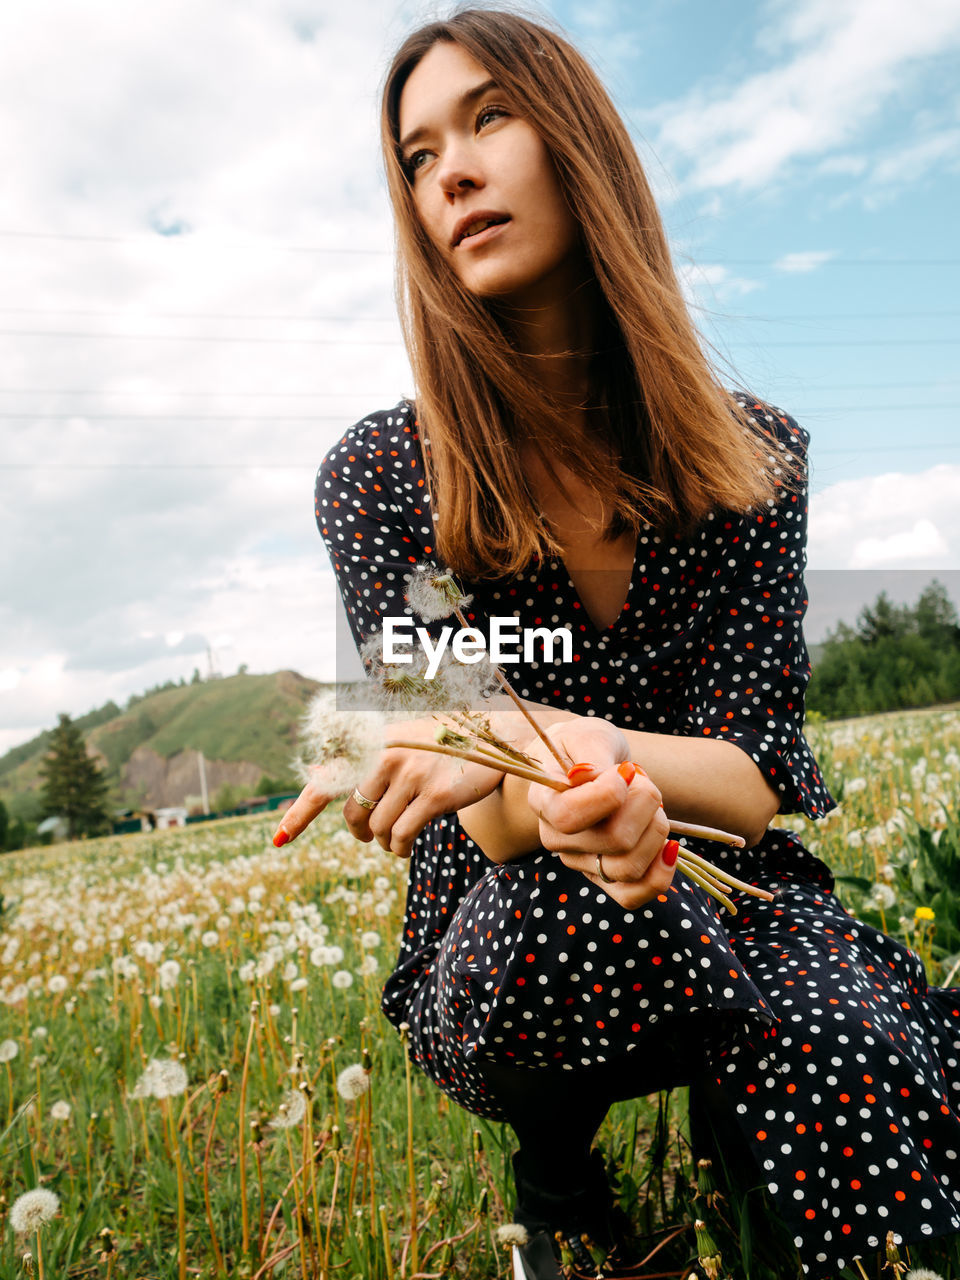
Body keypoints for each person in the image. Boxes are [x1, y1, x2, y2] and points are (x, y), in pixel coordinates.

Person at [273, 10, 960, 1278]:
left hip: (730, 888)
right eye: (417, 158)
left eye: (488, 119)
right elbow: (483, 804)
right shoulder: (381, 478)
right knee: (566, 907)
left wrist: (596, 747)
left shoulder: (755, 458)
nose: (454, 174)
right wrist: (584, 784)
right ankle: (555, 1163)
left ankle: (764, 1107)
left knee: (854, 1054)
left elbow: (750, 781)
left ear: (579, 142)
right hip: (515, 912)